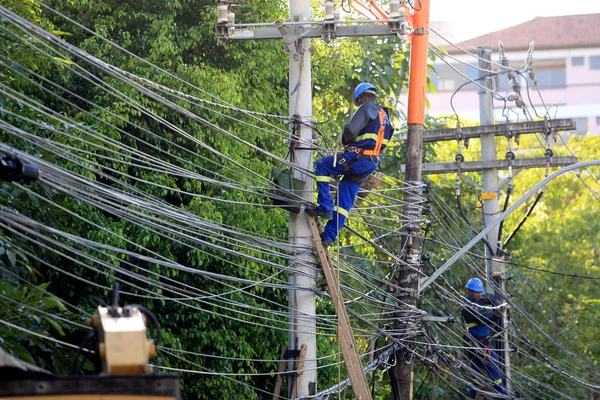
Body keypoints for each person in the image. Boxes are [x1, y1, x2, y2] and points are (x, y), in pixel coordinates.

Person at [305, 82, 395, 247]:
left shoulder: (366, 107)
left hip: (357, 158)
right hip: (371, 163)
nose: (359, 103)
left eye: (359, 100)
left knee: (322, 166)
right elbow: (383, 143)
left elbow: (351, 132)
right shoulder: (386, 117)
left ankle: (324, 206)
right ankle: (329, 236)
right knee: (344, 203)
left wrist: (343, 139)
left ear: (362, 97)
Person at [461, 278, 507, 399]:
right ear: (470, 291)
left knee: (477, 372)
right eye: (477, 292)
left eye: (480, 292)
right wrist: (497, 314)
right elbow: (482, 321)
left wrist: (498, 301)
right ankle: (502, 394)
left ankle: (473, 394)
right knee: (494, 368)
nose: (479, 295)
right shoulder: (467, 307)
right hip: (480, 345)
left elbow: (490, 298)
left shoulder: (478, 301)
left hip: (480, 344)